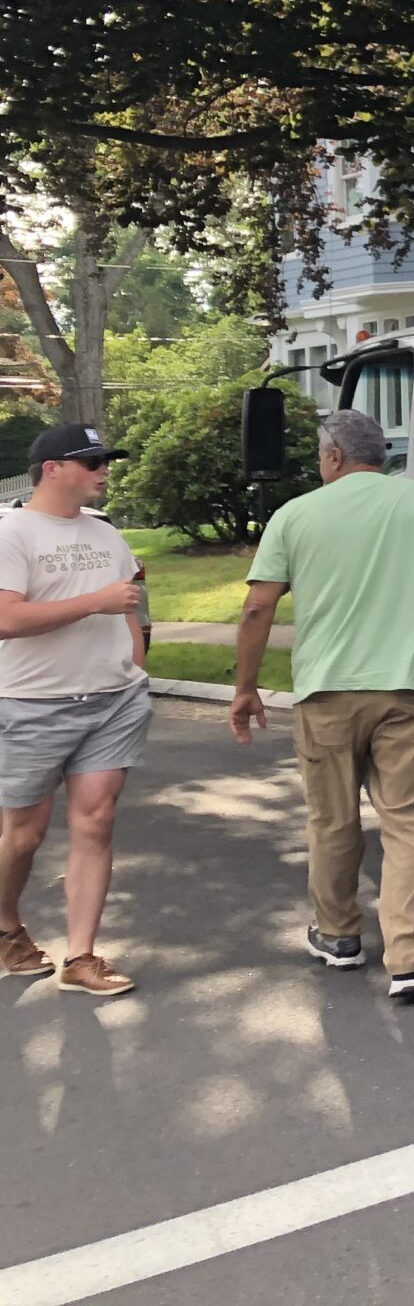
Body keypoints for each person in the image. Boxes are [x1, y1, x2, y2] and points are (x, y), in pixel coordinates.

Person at [231, 410, 414, 1002]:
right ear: (382, 456)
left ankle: (338, 936)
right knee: (408, 824)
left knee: (332, 821)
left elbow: (257, 608)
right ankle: (409, 960)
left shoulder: (295, 515)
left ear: (331, 457)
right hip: (410, 689)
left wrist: (246, 687)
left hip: (326, 693)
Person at [0, 424, 149, 997]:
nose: (103, 469)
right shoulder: (14, 535)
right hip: (31, 704)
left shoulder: (108, 535)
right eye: (90, 462)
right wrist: (97, 603)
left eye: (104, 460)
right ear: (52, 469)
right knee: (24, 835)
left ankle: (81, 958)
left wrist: (134, 667)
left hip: (112, 702)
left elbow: (129, 608)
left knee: (96, 821)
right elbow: (7, 620)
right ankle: (7, 925)